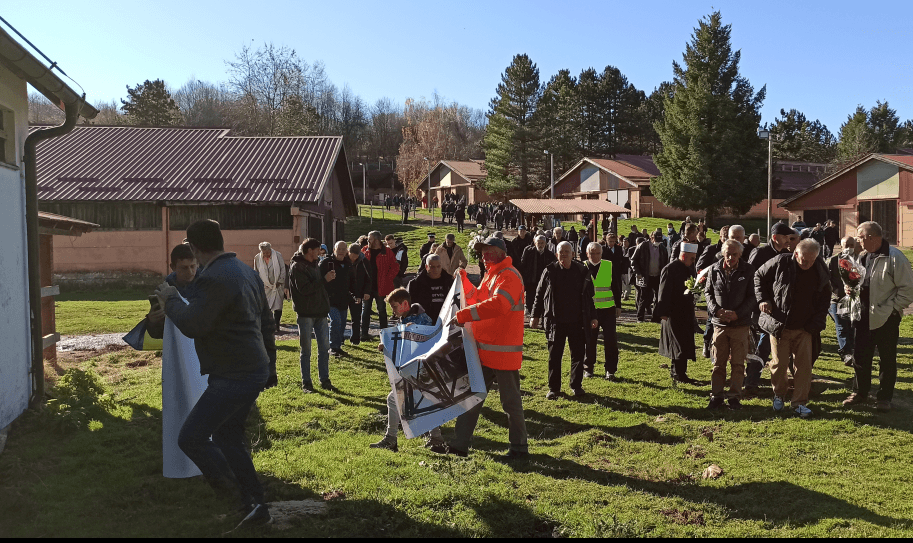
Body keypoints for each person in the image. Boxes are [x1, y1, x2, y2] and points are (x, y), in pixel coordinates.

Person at [155, 219, 275, 528]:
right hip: (254, 368)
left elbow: (194, 324)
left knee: (192, 437)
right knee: (227, 435)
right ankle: (255, 500)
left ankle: (240, 498)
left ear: (194, 247)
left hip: (234, 374)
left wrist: (168, 300)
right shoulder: (245, 271)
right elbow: (266, 322)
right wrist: (271, 364)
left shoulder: (214, 278)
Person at [443, 236, 529, 459]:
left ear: (502, 252)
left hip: (502, 353)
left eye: (489, 251)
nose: (484, 255)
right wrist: (463, 278)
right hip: (484, 351)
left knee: (510, 403)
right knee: (471, 397)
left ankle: (519, 449)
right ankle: (459, 445)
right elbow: (476, 297)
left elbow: (499, 304)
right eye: (482, 251)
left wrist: (463, 315)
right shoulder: (492, 276)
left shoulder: (509, 276)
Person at [755, 239, 831, 419]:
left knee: (804, 366)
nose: (807, 264)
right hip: (780, 324)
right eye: (804, 260)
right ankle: (779, 395)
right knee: (779, 364)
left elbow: (825, 298)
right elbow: (758, 276)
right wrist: (763, 299)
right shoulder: (781, 261)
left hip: (805, 327)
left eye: (811, 260)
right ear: (796, 254)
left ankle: (799, 402)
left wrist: (816, 323)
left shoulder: (820, 270)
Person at [843, 221, 913, 412]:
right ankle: (860, 392)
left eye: (860, 236)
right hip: (861, 316)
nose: (858, 240)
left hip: (886, 318)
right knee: (860, 357)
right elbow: (854, 281)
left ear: (871, 237)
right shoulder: (862, 257)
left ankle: (884, 398)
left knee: (887, 359)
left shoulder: (895, 258)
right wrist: (849, 289)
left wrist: (893, 310)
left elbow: (907, 289)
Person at [370, 288, 445, 452]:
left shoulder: (420, 318)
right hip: (416, 370)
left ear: (405, 304)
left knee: (395, 399)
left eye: (395, 307)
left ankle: (392, 439)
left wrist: (413, 330)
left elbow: (426, 337)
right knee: (422, 399)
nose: (394, 311)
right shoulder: (405, 319)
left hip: (422, 369)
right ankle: (436, 438)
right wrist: (387, 345)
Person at [531, 241, 598, 399]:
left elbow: (589, 297)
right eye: (561, 252)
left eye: (567, 252)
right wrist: (535, 315)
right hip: (555, 322)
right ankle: (554, 388)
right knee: (554, 356)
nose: (564, 254)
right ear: (556, 254)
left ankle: (576, 386)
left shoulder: (582, 271)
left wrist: (593, 316)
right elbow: (539, 294)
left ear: (573, 254)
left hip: (577, 321)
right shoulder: (550, 271)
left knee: (578, 355)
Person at [704, 240, 756, 410]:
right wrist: (716, 311)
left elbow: (752, 297)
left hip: (740, 325)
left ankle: (734, 397)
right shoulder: (714, 269)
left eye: (734, 254)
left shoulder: (748, 271)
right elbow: (708, 292)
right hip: (719, 325)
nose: (731, 257)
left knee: (738, 364)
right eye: (728, 254)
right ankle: (716, 396)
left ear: (740, 254)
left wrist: (738, 313)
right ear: (723, 252)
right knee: (718, 363)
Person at [288, 238, 335, 392]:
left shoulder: (314, 263)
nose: (320, 252)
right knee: (306, 350)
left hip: (320, 312)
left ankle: (325, 379)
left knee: (324, 348)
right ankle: (306, 382)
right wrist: (324, 280)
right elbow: (305, 289)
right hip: (306, 314)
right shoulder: (297, 267)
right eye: (317, 249)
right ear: (309, 251)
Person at [653, 242, 700, 384]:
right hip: (673, 313)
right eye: (692, 258)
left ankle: (681, 373)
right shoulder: (670, 269)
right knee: (677, 344)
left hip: (685, 312)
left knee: (684, 343)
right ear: (684, 255)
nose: (693, 261)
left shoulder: (689, 268)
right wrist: (663, 312)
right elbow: (663, 292)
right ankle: (677, 373)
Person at [582, 242, 622, 381]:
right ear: (587, 254)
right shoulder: (583, 267)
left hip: (608, 309)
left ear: (601, 253)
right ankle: (588, 367)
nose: (594, 255)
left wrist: (618, 305)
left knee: (610, 341)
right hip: (590, 311)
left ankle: (610, 370)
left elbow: (616, 286)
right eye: (591, 253)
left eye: (597, 253)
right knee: (589, 340)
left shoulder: (608, 265)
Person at [146, 243, 199, 340]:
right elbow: (157, 334)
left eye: (193, 266)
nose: (190, 272)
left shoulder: (207, 285)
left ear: (198, 264)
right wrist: (153, 322)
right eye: (184, 268)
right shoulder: (164, 290)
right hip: (178, 348)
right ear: (173, 267)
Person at [826, 236, 860, 367]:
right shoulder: (833, 261)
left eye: (851, 245)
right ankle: (846, 353)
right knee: (841, 326)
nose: (849, 248)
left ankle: (852, 350)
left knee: (852, 326)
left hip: (853, 300)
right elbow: (827, 280)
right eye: (846, 245)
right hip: (837, 299)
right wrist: (836, 291)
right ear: (841, 246)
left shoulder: (859, 260)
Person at [361, 231, 401, 340]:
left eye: (370, 238)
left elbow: (395, 266)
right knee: (365, 311)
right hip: (367, 288)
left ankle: (384, 333)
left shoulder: (387, 252)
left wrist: (388, 278)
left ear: (377, 240)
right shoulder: (365, 251)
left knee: (382, 310)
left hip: (381, 287)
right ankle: (364, 333)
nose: (368, 240)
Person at [319, 241, 354, 357]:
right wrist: (325, 279)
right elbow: (318, 280)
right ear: (334, 250)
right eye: (339, 249)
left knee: (342, 323)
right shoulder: (326, 262)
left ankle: (338, 347)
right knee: (336, 321)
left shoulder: (348, 264)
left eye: (344, 249)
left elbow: (353, 281)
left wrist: (357, 294)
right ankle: (333, 347)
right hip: (329, 299)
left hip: (343, 299)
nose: (341, 251)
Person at [631, 231, 669, 322]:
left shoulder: (662, 248)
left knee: (658, 298)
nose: (658, 242)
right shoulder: (643, 246)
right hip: (645, 276)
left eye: (660, 240)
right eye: (656, 240)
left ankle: (655, 318)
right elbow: (633, 260)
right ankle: (640, 318)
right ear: (652, 238)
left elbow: (665, 262)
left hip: (657, 276)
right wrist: (638, 273)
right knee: (643, 298)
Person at [407, 254, 454, 324]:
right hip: (423, 323)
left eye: (438, 266)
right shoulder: (415, 284)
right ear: (426, 267)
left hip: (446, 322)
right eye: (432, 267)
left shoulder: (451, 282)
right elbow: (408, 306)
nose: (436, 270)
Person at [253, 241, 286, 330]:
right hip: (265, 286)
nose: (266, 254)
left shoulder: (278, 255)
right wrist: (259, 283)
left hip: (277, 284)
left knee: (278, 306)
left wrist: (280, 281)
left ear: (270, 249)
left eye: (268, 252)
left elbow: (283, 268)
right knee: (266, 306)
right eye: (264, 253)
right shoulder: (257, 258)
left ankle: (277, 324)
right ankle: (269, 324)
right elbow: (256, 271)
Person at [520, 234, 556, 316]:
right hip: (531, 280)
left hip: (544, 281)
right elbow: (523, 265)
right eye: (538, 243)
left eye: (542, 243)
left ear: (545, 244)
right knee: (530, 299)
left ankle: (541, 315)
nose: (540, 245)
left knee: (542, 298)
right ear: (535, 243)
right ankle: (532, 315)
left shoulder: (549, 254)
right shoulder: (529, 251)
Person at [347, 243, 371, 346]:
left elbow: (369, 278)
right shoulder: (344, 260)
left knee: (356, 318)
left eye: (356, 256)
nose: (354, 258)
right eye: (352, 255)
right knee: (342, 318)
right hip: (344, 292)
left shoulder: (364, 261)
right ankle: (340, 339)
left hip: (358, 293)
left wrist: (366, 291)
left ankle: (355, 339)